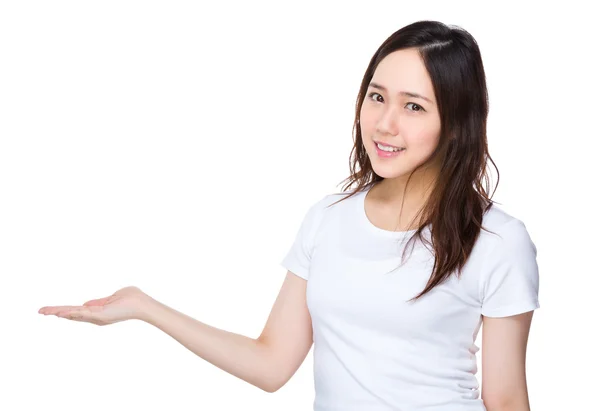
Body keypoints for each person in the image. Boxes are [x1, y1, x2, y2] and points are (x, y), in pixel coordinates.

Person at [38, 20, 540, 411]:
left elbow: (505, 400)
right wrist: (145, 307)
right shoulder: (328, 219)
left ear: (455, 123)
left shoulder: (497, 240)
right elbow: (272, 362)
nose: (385, 123)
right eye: (377, 96)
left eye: (414, 107)